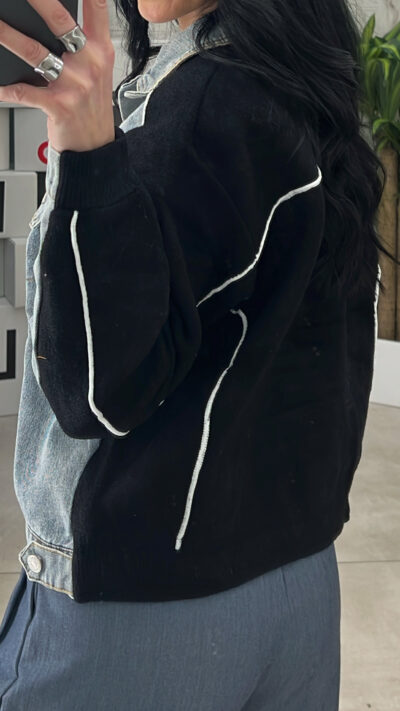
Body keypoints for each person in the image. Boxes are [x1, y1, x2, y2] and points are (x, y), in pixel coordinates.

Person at [0, 0, 396, 708]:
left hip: (145, 611)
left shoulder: (199, 108)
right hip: (297, 586)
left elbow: (96, 390)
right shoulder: (309, 87)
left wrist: (85, 152)